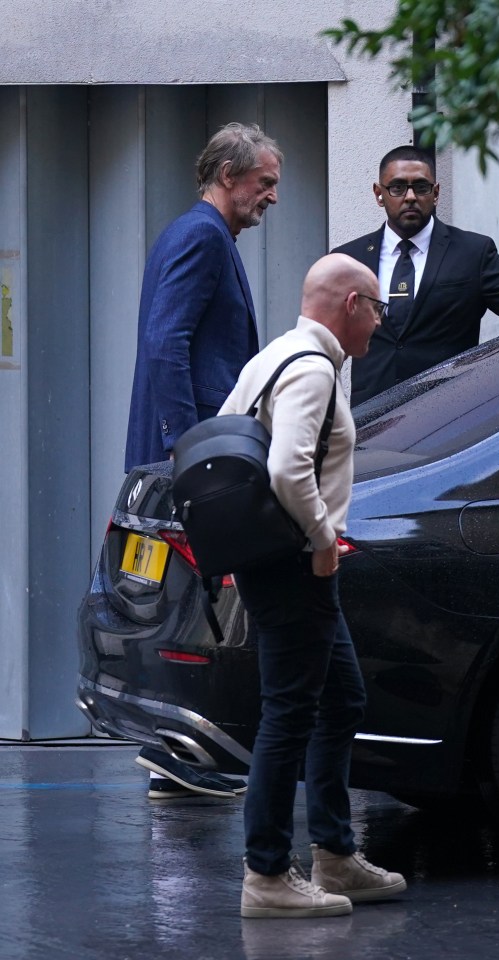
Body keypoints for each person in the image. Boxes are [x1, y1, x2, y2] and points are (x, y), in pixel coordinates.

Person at [221, 253, 406, 918]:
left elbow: (231, 430)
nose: (379, 323)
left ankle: (333, 855)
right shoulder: (313, 370)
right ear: (351, 304)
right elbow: (286, 468)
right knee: (289, 713)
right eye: (376, 308)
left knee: (341, 700)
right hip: (297, 567)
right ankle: (266, 876)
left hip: (278, 566)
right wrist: (324, 540)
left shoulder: (275, 356)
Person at [124, 121, 283, 800]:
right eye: (264, 182)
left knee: (186, 605)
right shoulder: (200, 235)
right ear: (228, 176)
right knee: (191, 609)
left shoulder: (201, 233)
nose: (271, 196)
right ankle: (181, 753)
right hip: (191, 457)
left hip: (185, 451)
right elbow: (168, 342)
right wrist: (187, 450)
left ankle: (182, 753)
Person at [333, 144, 499, 406]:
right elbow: (326, 342)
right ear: (379, 193)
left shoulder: (472, 253)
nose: (410, 196)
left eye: (421, 187)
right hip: (370, 419)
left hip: (448, 417)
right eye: (398, 187)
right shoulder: (348, 259)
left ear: (435, 193)